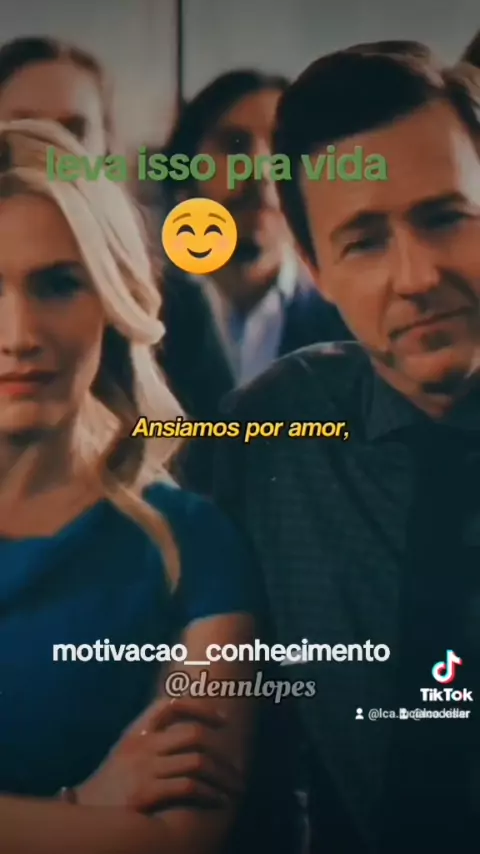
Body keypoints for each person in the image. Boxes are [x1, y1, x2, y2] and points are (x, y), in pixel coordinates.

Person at [213, 44, 480, 853]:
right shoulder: (272, 434)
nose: (417, 276)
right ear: (315, 270)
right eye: (363, 241)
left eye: (445, 218)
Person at [0, 117, 258, 854]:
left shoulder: (191, 546)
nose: (20, 334)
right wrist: (80, 807)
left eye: (59, 284)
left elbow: (178, 839)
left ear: (113, 300)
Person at [0, 35, 234, 426]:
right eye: (27, 127)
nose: (50, 150)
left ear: (106, 152)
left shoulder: (180, 304)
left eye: (73, 131)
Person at [162, 69, 351, 388]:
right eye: (234, 145)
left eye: (281, 148)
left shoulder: (350, 322)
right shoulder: (141, 318)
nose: (261, 168)